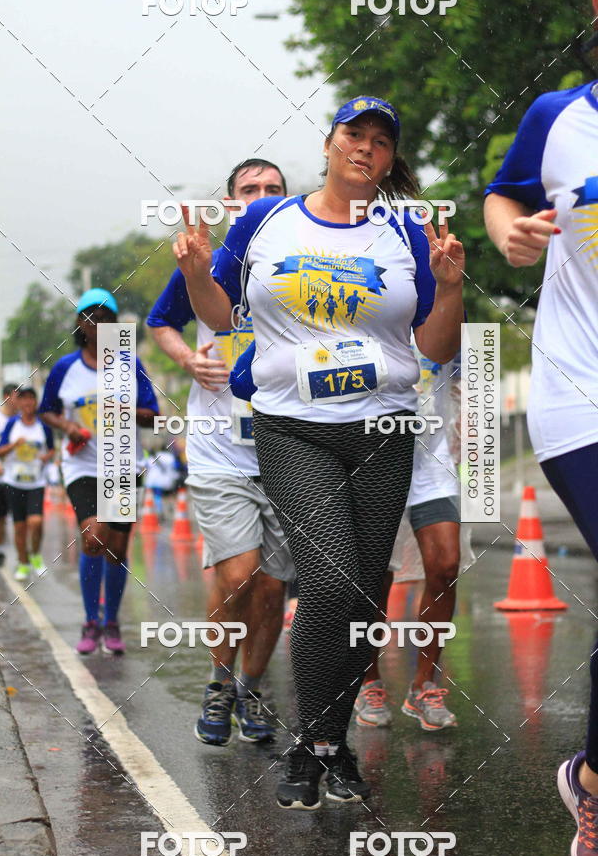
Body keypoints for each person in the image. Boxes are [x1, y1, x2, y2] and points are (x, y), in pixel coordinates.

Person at [175, 96, 464, 809]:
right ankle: (311, 739)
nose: (365, 148)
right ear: (329, 144)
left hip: (386, 433)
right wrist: (194, 272)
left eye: (380, 141)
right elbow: (222, 315)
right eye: (353, 135)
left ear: (391, 160)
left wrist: (452, 286)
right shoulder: (267, 221)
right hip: (293, 429)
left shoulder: (406, 232)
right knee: (330, 583)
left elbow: (434, 348)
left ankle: (330, 748)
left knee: (365, 597)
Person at [484, 0, 598, 856]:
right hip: (577, 389)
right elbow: (504, 195)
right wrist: (512, 233)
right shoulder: (558, 117)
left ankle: (591, 778)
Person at [148, 158, 294, 747]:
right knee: (240, 572)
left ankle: (252, 689)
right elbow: (162, 321)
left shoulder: (306, 260)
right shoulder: (209, 262)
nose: (261, 198)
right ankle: (218, 680)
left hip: (290, 448)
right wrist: (188, 358)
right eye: (249, 190)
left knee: (271, 587)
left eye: (273, 190)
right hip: (218, 450)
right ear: (232, 202)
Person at [39, 288, 159, 655]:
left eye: (106, 318)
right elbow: (47, 409)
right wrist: (69, 427)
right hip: (81, 465)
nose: (98, 324)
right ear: (80, 324)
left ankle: (112, 622)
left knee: (118, 549)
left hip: (123, 462)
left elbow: (153, 416)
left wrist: (125, 411)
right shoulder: (65, 368)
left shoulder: (130, 365)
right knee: (93, 536)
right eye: (91, 317)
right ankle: (91, 620)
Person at [354, 352, 461, 730]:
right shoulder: (364, 295)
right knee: (376, 579)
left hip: (433, 462)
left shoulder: (444, 299)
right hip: (372, 459)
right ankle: (368, 683)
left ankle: (424, 686)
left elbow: (468, 368)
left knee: (445, 566)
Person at [0, 387, 54, 581]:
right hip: (14, 483)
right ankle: (23, 563)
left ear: (35, 402)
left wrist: (46, 457)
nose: (28, 403)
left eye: (32, 399)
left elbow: (52, 449)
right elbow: (1, 451)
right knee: (20, 527)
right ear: (19, 403)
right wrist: (15, 445)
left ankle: (36, 555)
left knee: (36, 522)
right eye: (24, 399)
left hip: (36, 483)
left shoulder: (43, 426)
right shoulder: (12, 424)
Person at [0, 383, 19, 567]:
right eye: (15, 396)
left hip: (16, 477)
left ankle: (1, 547)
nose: (19, 401)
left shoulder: (22, 420)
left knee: (5, 517)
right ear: (6, 397)